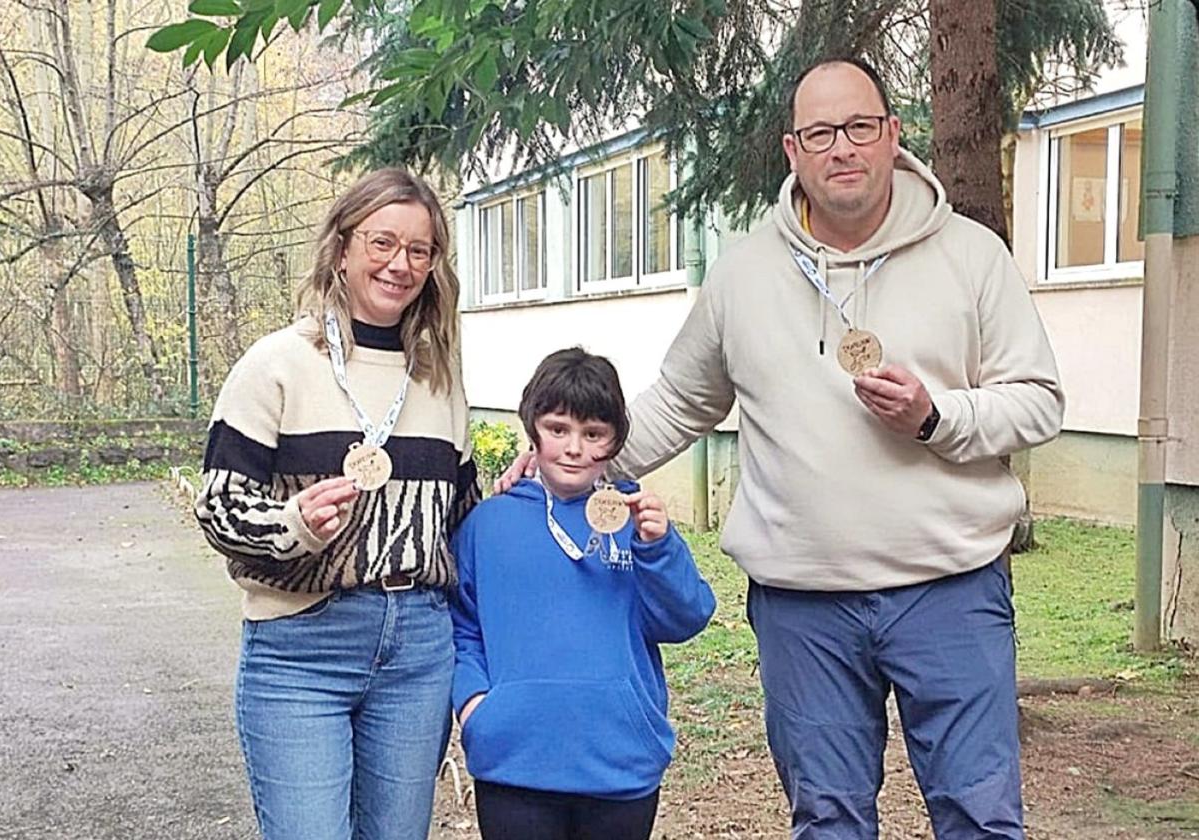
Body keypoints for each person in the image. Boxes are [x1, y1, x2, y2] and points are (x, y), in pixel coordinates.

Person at [500, 58, 1064, 839]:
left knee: (978, 816)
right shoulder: (744, 275)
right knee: (826, 819)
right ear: (793, 150)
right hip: (805, 607)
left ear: (893, 136)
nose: (844, 149)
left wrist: (938, 417)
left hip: (951, 590)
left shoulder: (972, 256)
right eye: (821, 133)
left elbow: (1039, 401)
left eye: (861, 127)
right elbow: (678, 402)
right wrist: (577, 461)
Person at [194, 168, 479, 840]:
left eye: (419, 249)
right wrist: (293, 526)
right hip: (300, 647)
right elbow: (218, 507)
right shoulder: (275, 364)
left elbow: (464, 519)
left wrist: (535, 490)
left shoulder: (440, 380)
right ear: (343, 249)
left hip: (417, 649)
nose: (399, 264)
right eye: (383, 242)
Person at [452, 347, 716, 840]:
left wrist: (658, 549)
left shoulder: (637, 522)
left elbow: (687, 618)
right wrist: (477, 707)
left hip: (618, 762)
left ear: (614, 441)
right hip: (514, 762)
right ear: (532, 430)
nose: (574, 448)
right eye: (558, 430)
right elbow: (463, 627)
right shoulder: (487, 525)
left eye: (593, 434)